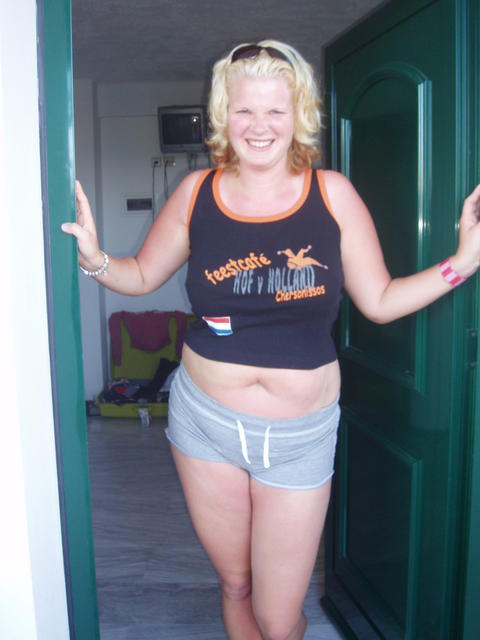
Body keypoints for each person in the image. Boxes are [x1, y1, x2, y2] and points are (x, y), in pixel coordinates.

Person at [62, 40, 480, 640]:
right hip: (205, 424)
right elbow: (143, 275)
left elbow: (381, 300)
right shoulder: (196, 193)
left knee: (279, 619)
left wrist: (461, 264)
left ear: (299, 115)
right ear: (223, 115)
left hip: (299, 438)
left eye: (275, 111)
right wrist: (97, 260)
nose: (259, 127)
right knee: (236, 585)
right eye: (245, 110)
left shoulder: (332, 194)